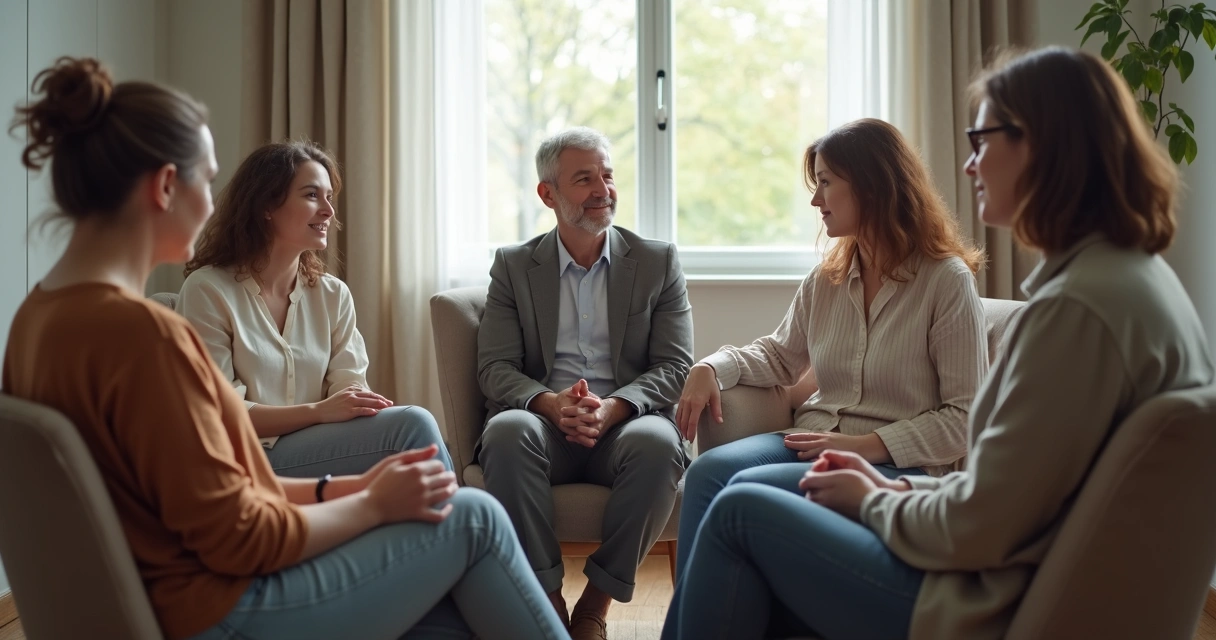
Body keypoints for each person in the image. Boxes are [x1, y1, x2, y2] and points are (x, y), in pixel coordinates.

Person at [3, 56, 567, 640]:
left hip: (169, 595)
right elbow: (240, 533)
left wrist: (355, 488)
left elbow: (214, 490)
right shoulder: (146, 336)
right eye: (207, 178)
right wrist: (373, 508)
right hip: (216, 610)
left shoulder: (38, 319)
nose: (212, 201)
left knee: (449, 617)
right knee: (472, 520)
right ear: (167, 186)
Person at [663, 46, 1215, 640]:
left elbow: (982, 517)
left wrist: (876, 494)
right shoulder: (1130, 283)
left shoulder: (1076, 312)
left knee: (741, 511)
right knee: (734, 498)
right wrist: (885, 488)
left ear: (1043, 144)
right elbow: (1015, 491)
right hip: (994, 565)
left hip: (981, 595)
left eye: (983, 140)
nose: (971, 166)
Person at [673, 117, 989, 577]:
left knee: (748, 489)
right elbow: (779, 357)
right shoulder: (827, 279)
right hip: (809, 440)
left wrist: (866, 445)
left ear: (872, 187)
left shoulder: (946, 281)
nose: (816, 199)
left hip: (898, 470)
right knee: (705, 475)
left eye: (825, 183)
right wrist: (711, 366)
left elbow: (965, 416)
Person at [476, 127, 693, 639]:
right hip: (543, 425)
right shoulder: (513, 266)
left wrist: (615, 407)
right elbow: (494, 367)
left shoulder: (657, 261)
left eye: (608, 175)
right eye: (583, 179)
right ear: (547, 194)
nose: (603, 189)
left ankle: (594, 606)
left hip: (624, 425)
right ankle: (549, 604)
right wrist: (549, 404)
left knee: (659, 444)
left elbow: (676, 365)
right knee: (506, 432)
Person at [178, 140, 451, 478]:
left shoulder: (332, 294)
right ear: (266, 205)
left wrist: (348, 406)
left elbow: (350, 388)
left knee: (412, 434)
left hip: (321, 447)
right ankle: (462, 522)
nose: (328, 211)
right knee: (413, 426)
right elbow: (222, 413)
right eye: (311, 195)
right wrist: (320, 412)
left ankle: (452, 523)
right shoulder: (208, 290)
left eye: (329, 197)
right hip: (246, 458)